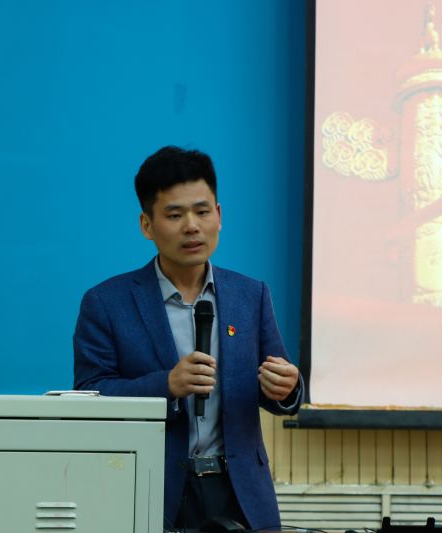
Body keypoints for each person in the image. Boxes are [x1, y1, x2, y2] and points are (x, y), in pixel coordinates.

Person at [73, 145, 303, 531]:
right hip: (151, 487)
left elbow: (278, 385)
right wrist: (166, 385)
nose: (192, 226)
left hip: (240, 493)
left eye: (202, 211)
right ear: (147, 224)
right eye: (175, 215)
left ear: (219, 215)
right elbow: (89, 397)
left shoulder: (251, 295)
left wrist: (287, 387)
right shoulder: (107, 303)